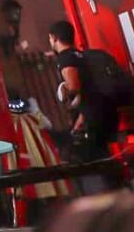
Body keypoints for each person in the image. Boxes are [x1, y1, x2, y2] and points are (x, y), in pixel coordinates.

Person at [48, 20, 123, 187]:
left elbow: (74, 87)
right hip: (104, 110)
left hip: (94, 117)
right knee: (104, 156)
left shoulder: (65, 58)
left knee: (94, 160)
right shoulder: (81, 55)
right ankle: (120, 189)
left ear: (54, 38)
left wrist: (63, 90)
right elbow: (89, 93)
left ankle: (116, 195)